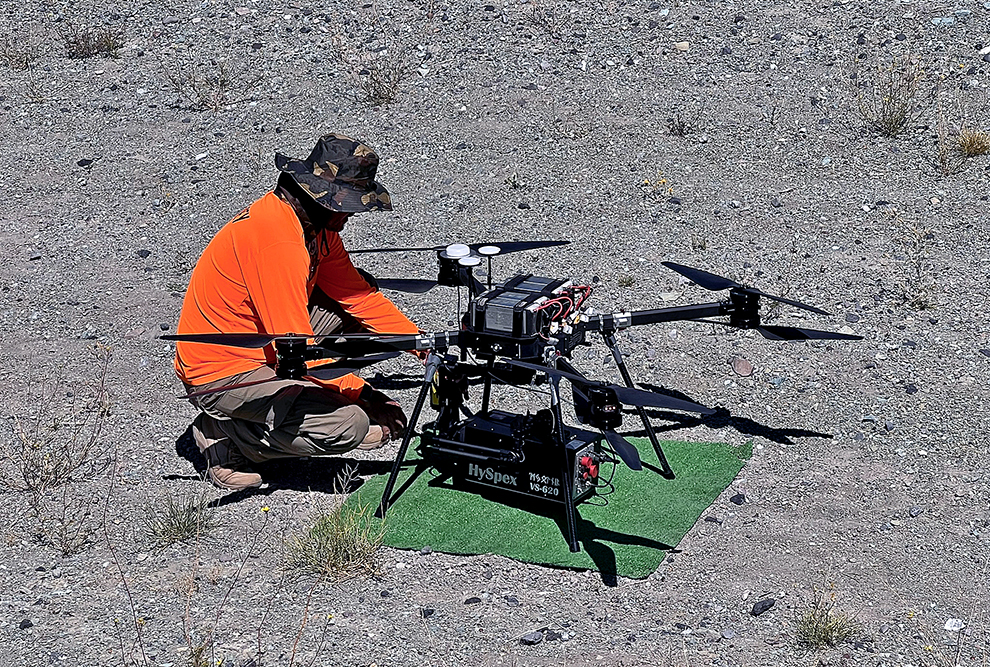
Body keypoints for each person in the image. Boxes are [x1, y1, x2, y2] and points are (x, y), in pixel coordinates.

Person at [173, 133, 420, 491]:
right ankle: (225, 435)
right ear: (316, 194)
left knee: (347, 303)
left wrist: (420, 344)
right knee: (347, 426)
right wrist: (363, 396)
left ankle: (293, 409)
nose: (351, 214)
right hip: (221, 373)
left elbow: (357, 297)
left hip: (266, 349)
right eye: (347, 203)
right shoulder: (279, 242)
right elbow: (296, 348)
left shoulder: (316, 226)